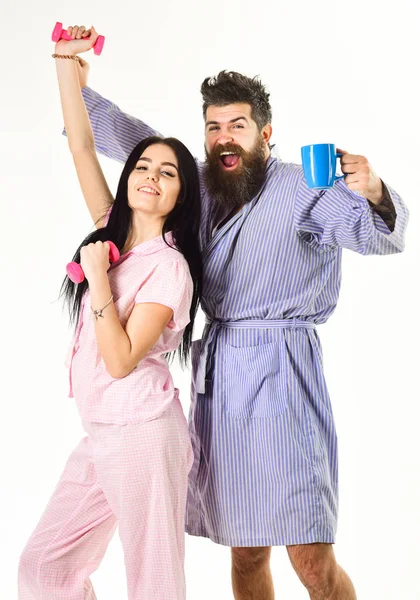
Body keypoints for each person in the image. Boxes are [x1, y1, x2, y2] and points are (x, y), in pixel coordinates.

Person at [58, 26, 408, 600]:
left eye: (237, 126)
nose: (224, 138)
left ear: (265, 133)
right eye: (214, 126)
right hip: (220, 379)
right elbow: (131, 140)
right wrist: (73, 81)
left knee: (311, 555)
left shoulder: (304, 188)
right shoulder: (193, 184)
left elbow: (378, 239)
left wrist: (372, 191)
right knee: (245, 548)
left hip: (285, 376)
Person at [18, 27, 202, 600]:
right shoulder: (111, 231)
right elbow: (79, 144)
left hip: (145, 432)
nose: (150, 175)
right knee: (44, 567)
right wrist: (63, 62)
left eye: (167, 172)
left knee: (153, 580)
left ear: (179, 196)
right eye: (143, 165)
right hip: (101, 432)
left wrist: (97, 276)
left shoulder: (169, 269)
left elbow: (121, 360)